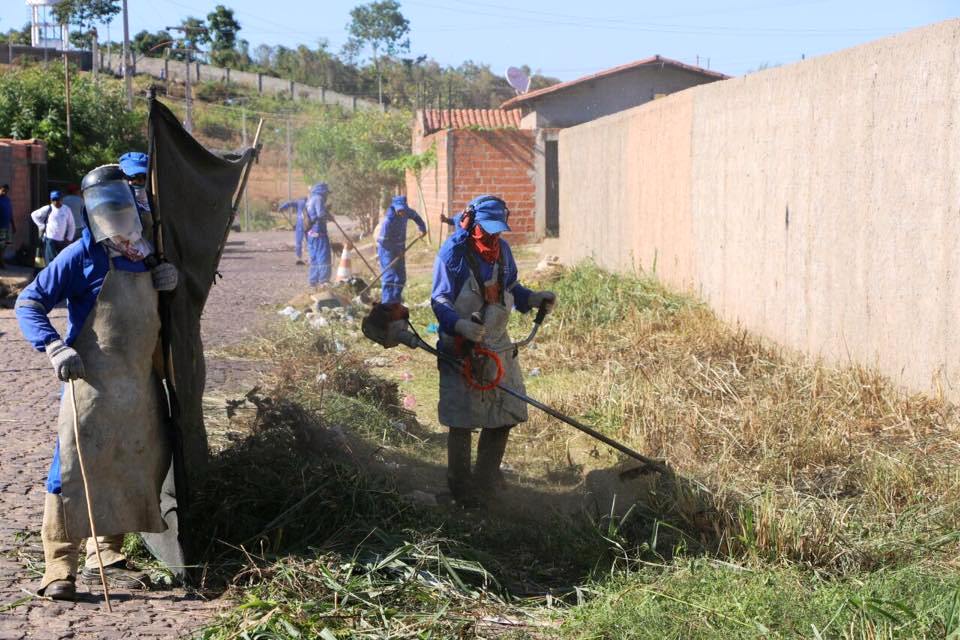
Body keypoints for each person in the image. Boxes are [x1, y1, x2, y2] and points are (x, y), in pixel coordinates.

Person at [15, 164, 179, 601]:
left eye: (121, 207)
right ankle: (58, 567)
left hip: (139, 385)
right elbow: (29, 300)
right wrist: (53, 347)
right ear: (91, 212)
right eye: (107, 209)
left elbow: (163, 318)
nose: (117, 217)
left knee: (129, 464)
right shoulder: (80, 257)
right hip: (90, 384)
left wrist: (170, 282)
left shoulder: (147, 253)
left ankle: (104, 553)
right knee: (71, 469)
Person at [430, 195, 556, 507]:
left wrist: (533, 298)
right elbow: (440, 299)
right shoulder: (453, 254)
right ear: (470, 224)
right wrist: (459, 326)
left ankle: (485, 483)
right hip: (461, 346)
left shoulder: (503, 252)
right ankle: (460, 489)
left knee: (506, 412)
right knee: (460, 418)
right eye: (486, 230)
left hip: (497, 344)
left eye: (497, 230)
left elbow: (510, 288)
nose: (492, 236)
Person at [377, 195, 426, 304]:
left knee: (401, 277)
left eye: (403, 209)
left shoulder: (407, 212)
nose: (402, 212)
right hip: (387, 249)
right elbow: (383, 241)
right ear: (394, 208)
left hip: (400, 247)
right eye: (399, 210)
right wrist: (395, 251)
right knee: (389, 277)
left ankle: (395, 300)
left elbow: (416, 217)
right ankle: (386, 304)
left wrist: (422, 228)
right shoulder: (388, 220)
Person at [31, 191, 75, 265]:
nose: (56, 202)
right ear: (51, 200)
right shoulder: (48, 208)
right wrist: (41, 225)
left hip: (62, 241)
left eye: (58, 199)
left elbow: (71, 225)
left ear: (61, 199)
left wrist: (69, 238)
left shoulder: (66, 209)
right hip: (49, 240)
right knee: (50, 262)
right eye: (53, 200)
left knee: (61, 262)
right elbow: (33, 215)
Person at [304, 182, 331, 288]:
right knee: (323, 255)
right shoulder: (319, 198)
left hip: (311, 232)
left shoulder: (310, 199)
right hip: (319, 232)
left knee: (314, 257)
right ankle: (324, 280)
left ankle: (313, 280)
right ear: (323, 192)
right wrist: (329, 216)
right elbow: (321, 214)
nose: (327, 196)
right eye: (326, 193)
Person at [279, 197, 308, 265]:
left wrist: (282, 207)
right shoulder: (311, 202)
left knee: (299, 241)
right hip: (309, 225)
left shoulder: (300, 202)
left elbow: (289, 203)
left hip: (300, 224)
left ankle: (299, 258)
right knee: (310, 241)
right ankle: (311, 258)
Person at [0, 184, 15, 268]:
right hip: (0, 226)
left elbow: (10, 213)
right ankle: (1, 262)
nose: (5, 192)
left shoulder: (7, 200)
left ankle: (1, 260)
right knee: (1, 245)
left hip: (7, 226)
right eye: (3, 190)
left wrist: (13, 225)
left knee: (5, 244)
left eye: (6, 191)